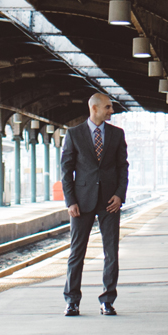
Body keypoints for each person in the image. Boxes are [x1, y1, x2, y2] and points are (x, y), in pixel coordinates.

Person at [60, 90, 128, 316]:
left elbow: (122, 168)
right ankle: (72, 300)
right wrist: (70, 201)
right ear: (95, 108)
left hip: (110, 202)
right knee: (76, 252)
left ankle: (107, 300)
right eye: (108, 107)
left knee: (111, 252)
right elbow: (66, 171)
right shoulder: (74, 134)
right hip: (81, 202)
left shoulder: (117, 135)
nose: (112, 110)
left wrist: (119, 195)